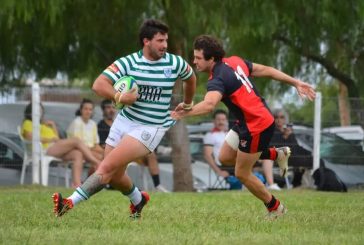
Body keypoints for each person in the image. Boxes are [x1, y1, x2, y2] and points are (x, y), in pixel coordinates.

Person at [52, 19, 196, 219]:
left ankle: (68, 203)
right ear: (146, 41)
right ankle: (139, 199)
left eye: (166, 40)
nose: (165, 45)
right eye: (160, 40)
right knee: (116, 176)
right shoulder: (128, 62)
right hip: (125, 121)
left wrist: (188, 103)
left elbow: (190, 78)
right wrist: (119, 96)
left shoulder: (175, 62)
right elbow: (98, 84)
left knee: (106, 168)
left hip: (151, 127)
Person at [172, 35, 315, 219]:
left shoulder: (216, 80)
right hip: (247, 122)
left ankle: (275, 208)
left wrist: (184, 112)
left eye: (198, 58)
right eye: (195, 57)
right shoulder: (235, 61)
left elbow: (209, 105)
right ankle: (276, 154)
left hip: (257, 125)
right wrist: (295, 82)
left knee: (241, 172)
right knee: (224, 157)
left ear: (212, 59)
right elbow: (267, 70)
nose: (194, 61)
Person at [21, 103, 101, 187]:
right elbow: (30, 137)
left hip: (55, 147)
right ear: (30, 111)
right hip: (45, 149)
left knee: (78, 154)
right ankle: (96, 162)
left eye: (41, 110)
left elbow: (57, 138)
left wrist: (53, 125)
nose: (39, 113)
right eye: (37, 110)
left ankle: (76, 185)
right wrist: (50, 139)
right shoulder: (28, 123)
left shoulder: (43, 124)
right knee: (76, 141)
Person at [97, 99, 169, 192]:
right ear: (103, 110)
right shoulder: (101, 125)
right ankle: (120, 187)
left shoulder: (122, 121)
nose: (111, 110)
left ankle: (157, 185)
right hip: (114, 152)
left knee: (151, 155)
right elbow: (103, 145)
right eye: (108, 108)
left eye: (112, 107)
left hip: (130, 150)